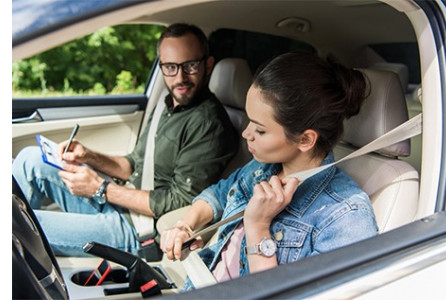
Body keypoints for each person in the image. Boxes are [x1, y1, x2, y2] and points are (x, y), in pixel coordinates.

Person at [12, 23, 238, 258]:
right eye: (170, 67)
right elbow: (133, 164)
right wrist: (89, 156)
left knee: (15, 223)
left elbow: (179, 201)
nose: (180, 77)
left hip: (139, 232)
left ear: (208, 65)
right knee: (30, 158)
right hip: (124, 202)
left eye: (190, 66)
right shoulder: (168, 104)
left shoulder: (209, 124)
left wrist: (101, 188)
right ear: (162, 67)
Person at [160, 52, 379, 291]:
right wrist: (186, 225)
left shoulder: (345, 217)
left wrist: (258, 228)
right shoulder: (261, 168)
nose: (246, 134)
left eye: (260, 130)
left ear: (305, 139)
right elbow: (218, 194)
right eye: (249, 121)